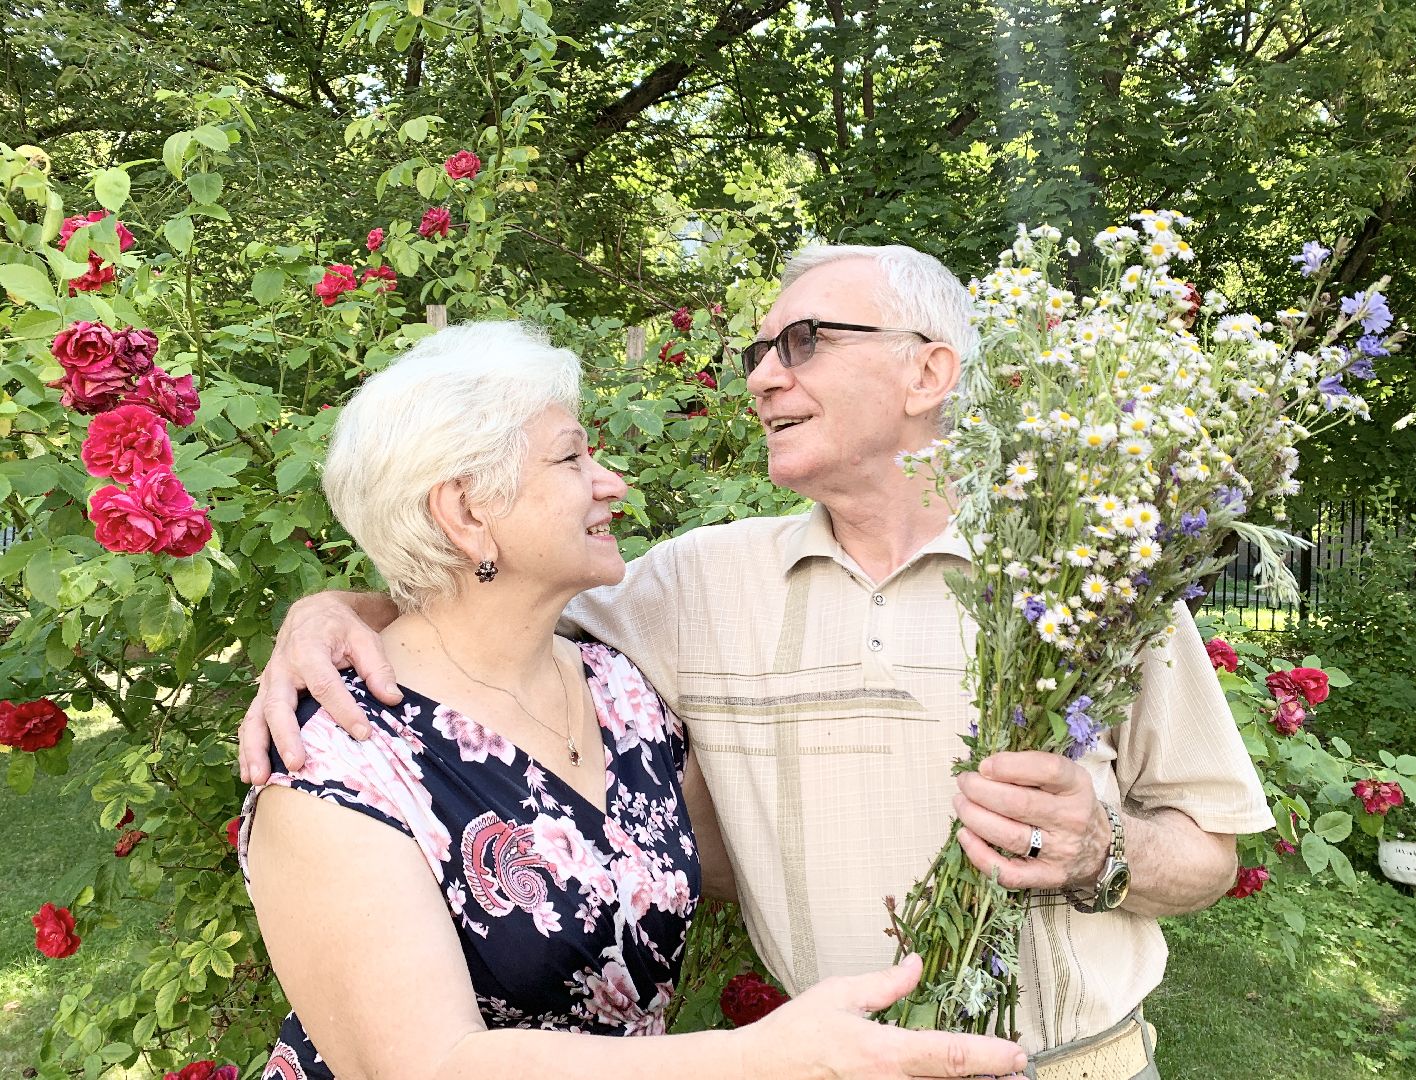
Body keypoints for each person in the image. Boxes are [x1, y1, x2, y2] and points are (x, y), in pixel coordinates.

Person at [241, 247, 1274, 1078]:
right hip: (820, 1063)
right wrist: (328, 615)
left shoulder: (1088, 582)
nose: (764, 374)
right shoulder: (693, 587)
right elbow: (473, 605)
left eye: (805, 341)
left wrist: (1104, 850)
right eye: (758, 350)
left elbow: (1210, 852)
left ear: (928, 372)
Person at [236, 319, 1028, 1080]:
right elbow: (427, 1067)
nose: (611, 482)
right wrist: (767, 1062)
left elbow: (753, 855)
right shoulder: (333, 762)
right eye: (571, 458)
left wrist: (1028, 839)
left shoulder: (620, 692)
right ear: (466, 511)